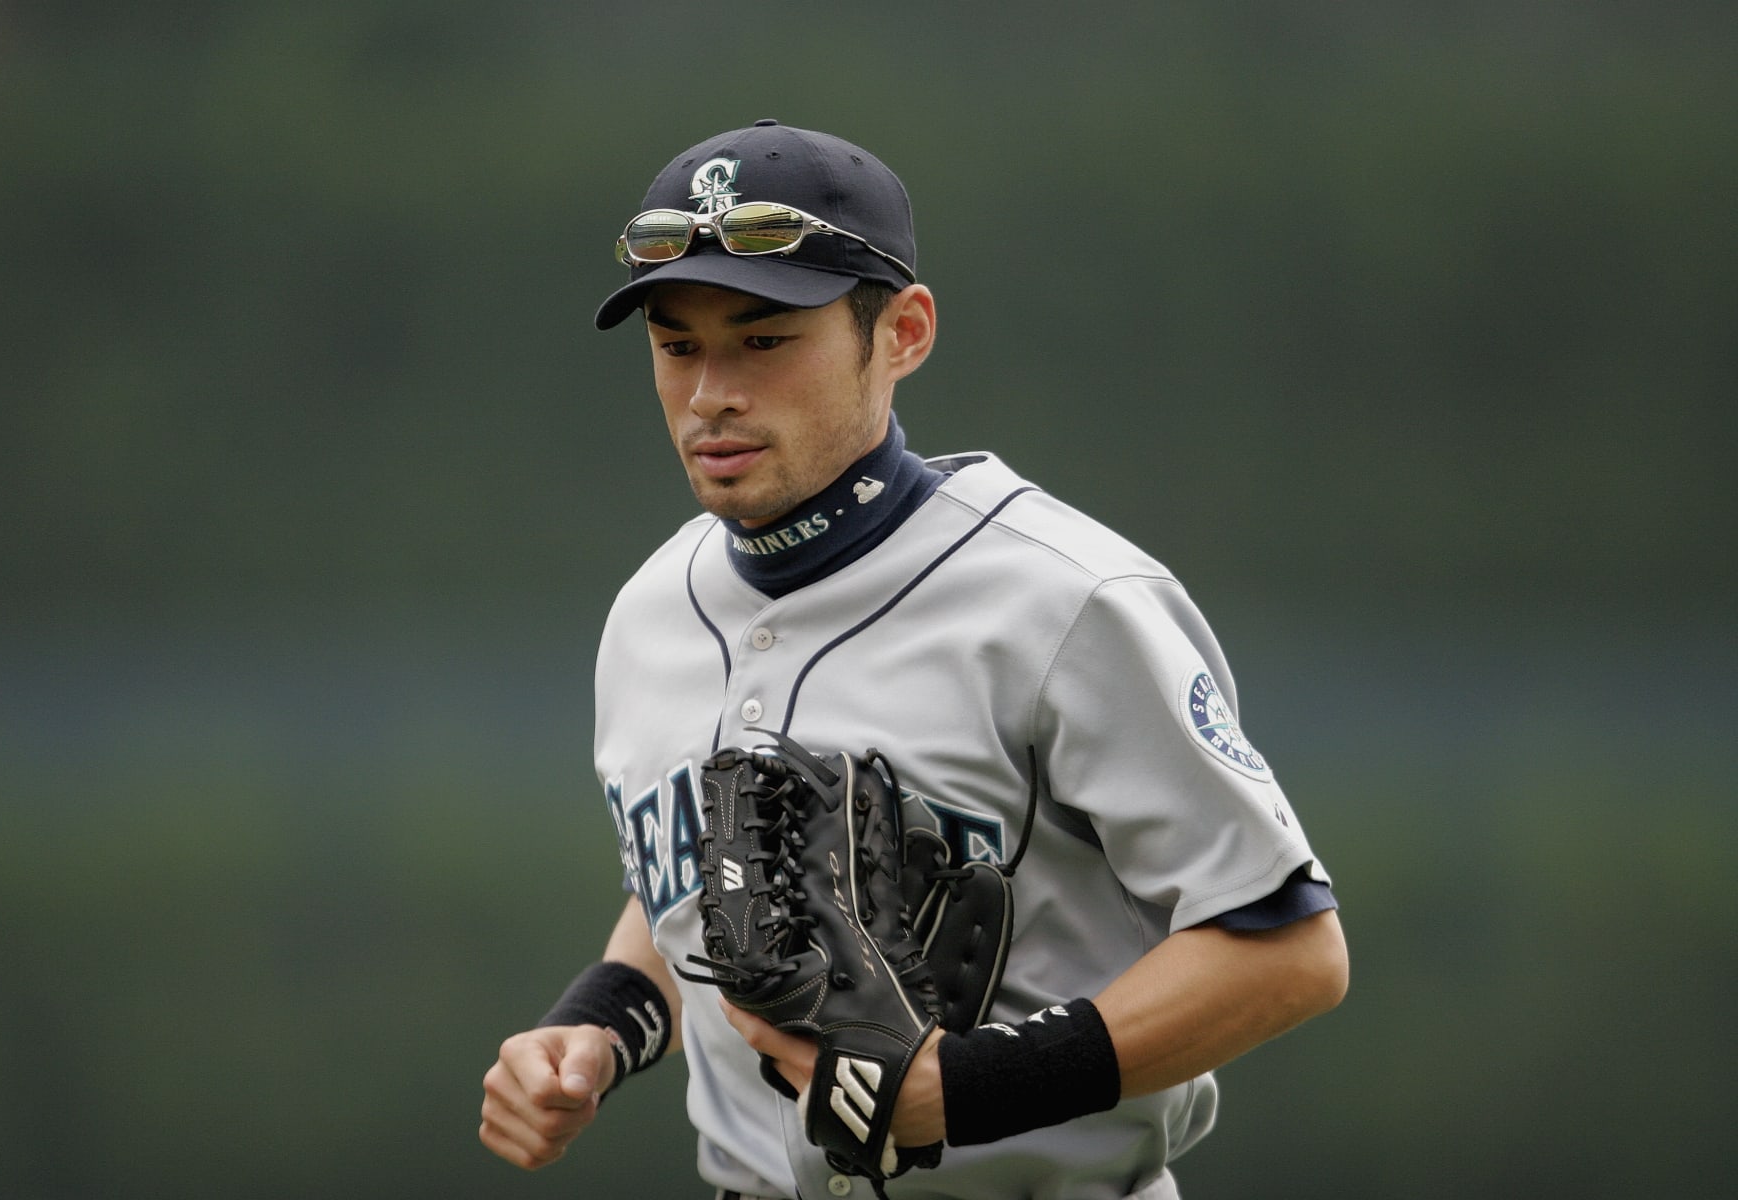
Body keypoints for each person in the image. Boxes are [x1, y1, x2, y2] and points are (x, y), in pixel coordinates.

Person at [479, 119, 1348, 1200]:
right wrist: (597, 1028)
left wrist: (971, 1088)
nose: (711, 394)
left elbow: (1288, 953)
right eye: (678, 345)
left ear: (902, 333)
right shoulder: (649, 613)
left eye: (765, 339)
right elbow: (700, 887)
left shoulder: (1065, 600)